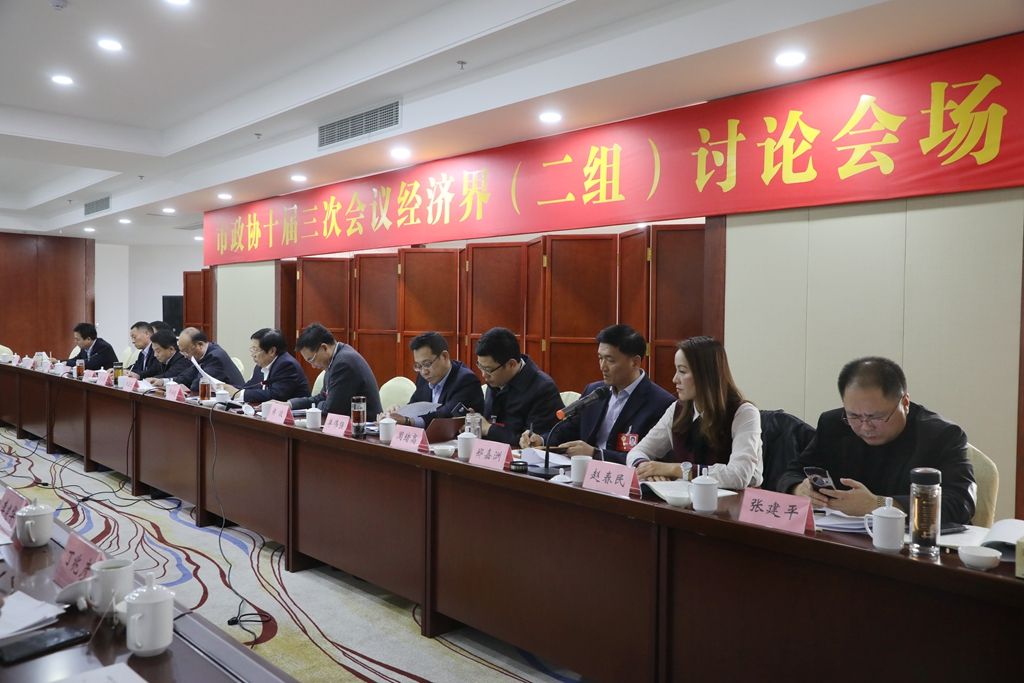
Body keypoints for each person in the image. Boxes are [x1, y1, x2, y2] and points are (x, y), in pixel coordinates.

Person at [776, 357, 976, 523]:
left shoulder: (941, 436)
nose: (865, 426)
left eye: (877, 417)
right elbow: (791, 473)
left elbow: (961, 503)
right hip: (843, 540)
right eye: (854, 416)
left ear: (905, 403)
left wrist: (878, 505)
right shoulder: (833, 424)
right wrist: (799, 489)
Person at [519, 325, 675, 464]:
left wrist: (596, 454)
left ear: (635, 362)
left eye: (610, 360)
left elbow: (650, 459)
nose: (602, 367)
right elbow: (569, 429)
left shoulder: (661, 403)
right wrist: (541, 439)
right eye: (600, 358)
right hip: (580, 472)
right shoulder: (594, 391)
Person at [627, 336, 762, 488]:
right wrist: (646, 468)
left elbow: (738, 475)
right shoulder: (677, 409)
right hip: (684, 497)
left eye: (682, 371)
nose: (675, 379)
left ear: (706, 374)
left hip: (731, 500)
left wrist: (675, 469)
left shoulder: (744, 413)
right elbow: (637, 451)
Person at [475, 327, 563, 447]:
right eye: (480, 367)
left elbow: (530, 442)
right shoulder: (496, 379)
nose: (484, 375)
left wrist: (489, 429)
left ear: (511, 364)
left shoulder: (543, 389)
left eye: (488, 369)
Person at [382, 332, 484, 427]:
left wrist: (408, 421)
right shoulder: (423, 378)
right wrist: (397, 413)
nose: (424, 372)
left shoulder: (466, 380)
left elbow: (445, 414)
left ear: (444, 356)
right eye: (418, 366)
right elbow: (415, 405)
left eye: (427, 364)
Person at [290, 323, 382, 417]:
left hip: (364, 424)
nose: (313, 366)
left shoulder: (343, 363)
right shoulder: (334, 360)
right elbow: (323, 397)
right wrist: (291, 404)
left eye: (312, 360)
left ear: (324, 348)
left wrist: (319, 405)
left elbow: (331, 410)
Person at [223, 328, 309, 403]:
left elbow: (276, 395)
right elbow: (249, 387)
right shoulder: (261, 365)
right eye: (252, 350)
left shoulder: (287, 365)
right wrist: (227, 388)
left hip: (295, 414)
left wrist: (240, 394)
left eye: (255, 350)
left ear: (272, 351)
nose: (252, 355)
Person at [150, 327, 244, 393]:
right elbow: (186, 377)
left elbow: (198, 385)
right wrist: (163, 381)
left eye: (186, 351)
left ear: (200, 345)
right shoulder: (202, 354)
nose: (184, 356)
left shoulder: (215, 357)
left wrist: (180, 387)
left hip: (235, 403)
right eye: (182, 352)